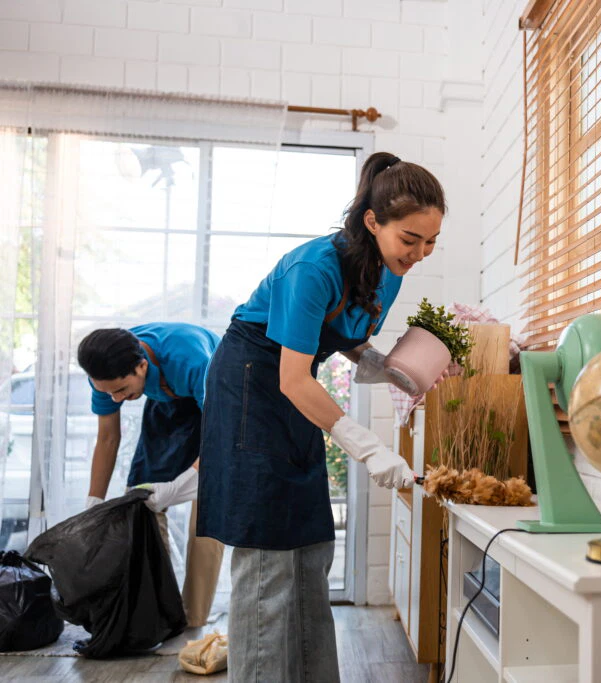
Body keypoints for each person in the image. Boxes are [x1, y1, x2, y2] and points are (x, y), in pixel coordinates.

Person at [196, 151, 446, 682]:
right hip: (251, 387)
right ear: (373, 221)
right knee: (268, 553)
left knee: (309, 549)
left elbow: (346, 338)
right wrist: (369, 446)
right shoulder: (313, 269)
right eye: (410, 240)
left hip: (294, 392)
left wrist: (386, 365)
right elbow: (291, 377)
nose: (420, 253)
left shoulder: (389, 269)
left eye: (430, 242)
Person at [77, 323, 224, 629]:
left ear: (142, 366)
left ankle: (192, 618)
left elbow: (220, 436)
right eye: (107, 392)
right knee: (140, 504)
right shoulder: (104, 373)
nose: (114, 399)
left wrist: (183, 485)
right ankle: (159, 607)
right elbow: (107, 438)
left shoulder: (191, 360)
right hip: (167, 403)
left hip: (216, 402)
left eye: (120, 390)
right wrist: (94, 502)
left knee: (208, 510)